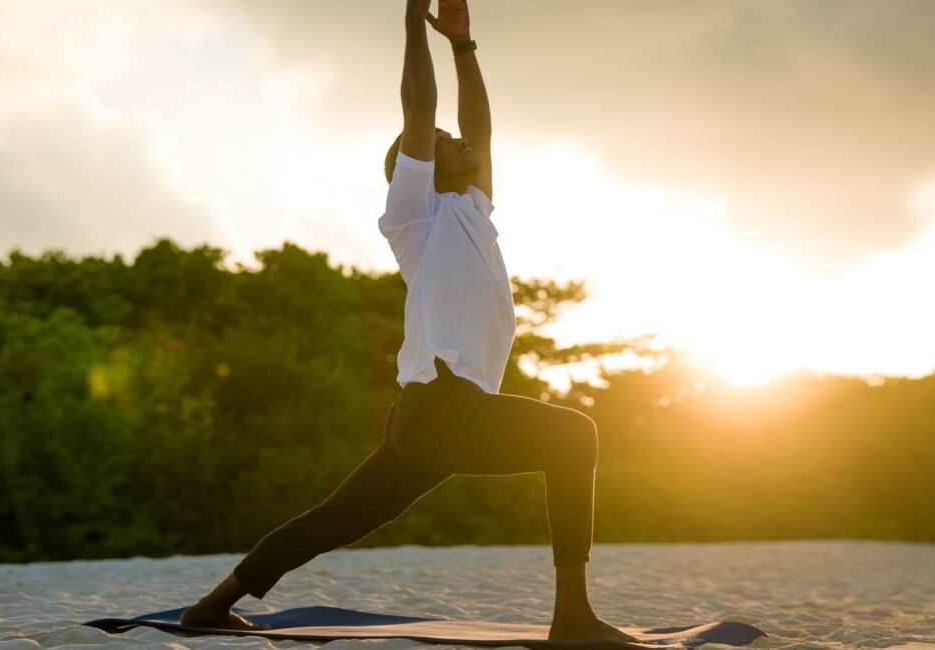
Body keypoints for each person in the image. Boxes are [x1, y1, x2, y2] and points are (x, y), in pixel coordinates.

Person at [181, 0, 638, 642]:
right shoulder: (414, 219)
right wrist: (411, 20)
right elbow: (419, 110)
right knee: (574, 435)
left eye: (454, 141)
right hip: (442, 410)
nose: (457, 141)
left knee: (333, 520)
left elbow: (478, 124)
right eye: (444, 144)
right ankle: (573, 618)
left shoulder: (473, 209)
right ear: (413, 172)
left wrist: (464, 45)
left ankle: (210, 605)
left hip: (427, 417)